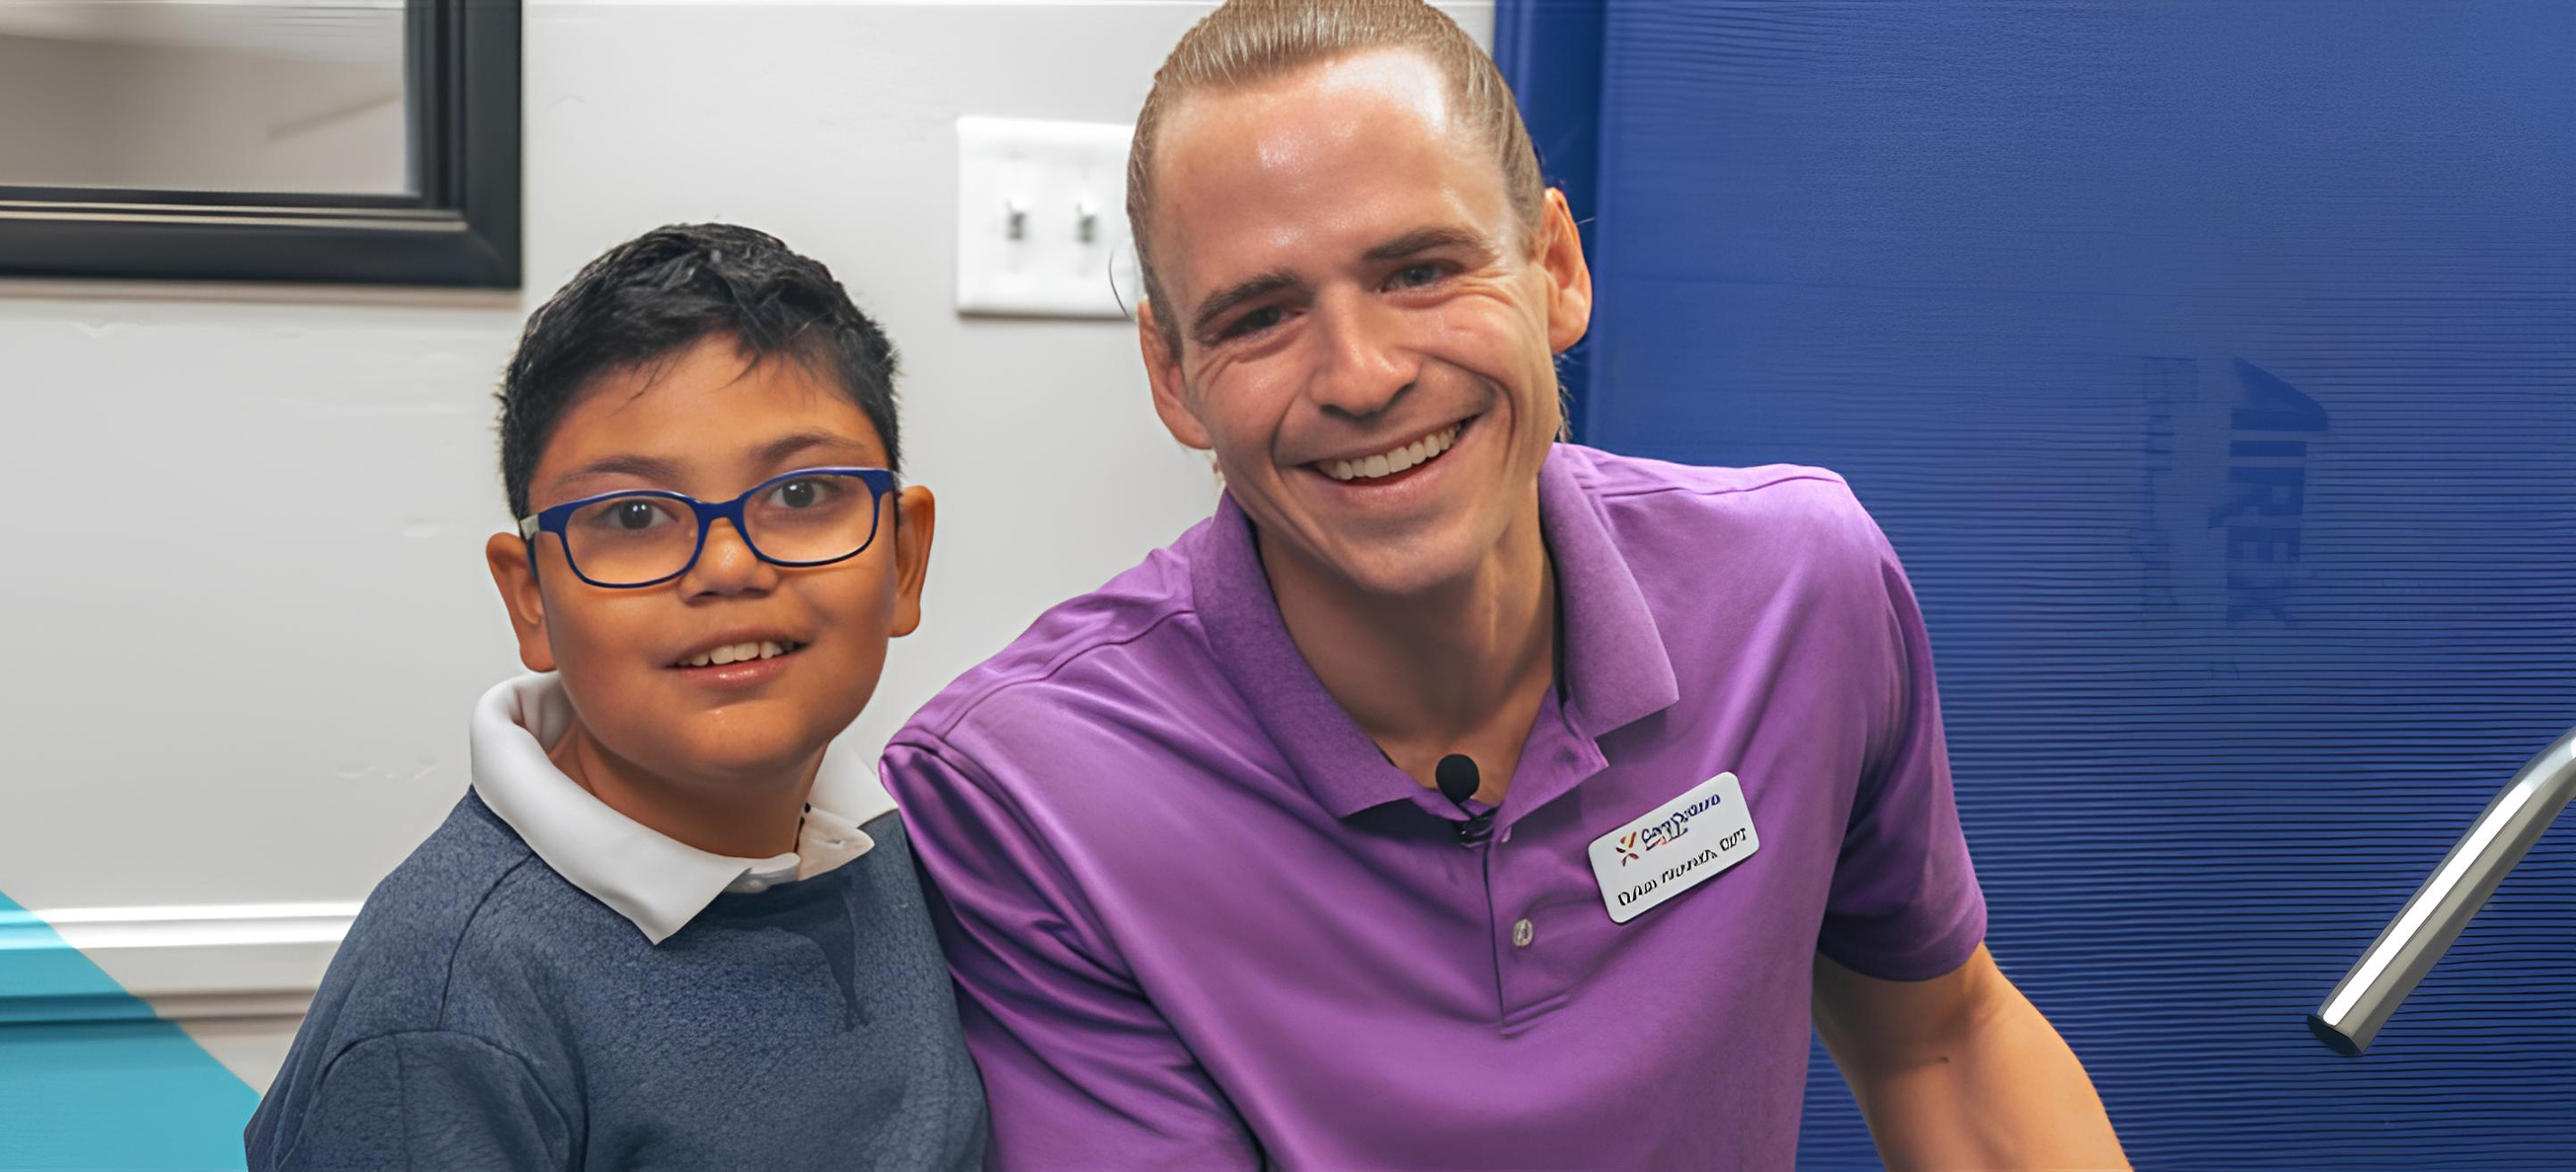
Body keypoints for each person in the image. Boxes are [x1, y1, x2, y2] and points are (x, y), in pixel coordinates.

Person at [883, 2, 2125, 1167]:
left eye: (1420, 270)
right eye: (1260, 314)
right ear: (1171, 375)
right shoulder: (1023, 792)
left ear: (1557, 268)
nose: (1362, 375)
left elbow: (1944, 1039)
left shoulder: (1800, 592)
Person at [247, 223, 986, 1169]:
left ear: (904, 559)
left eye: (802, 495)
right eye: (632, 515)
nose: (728, 565)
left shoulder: (911, 844)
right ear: (532, 599)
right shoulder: (446, 1013)